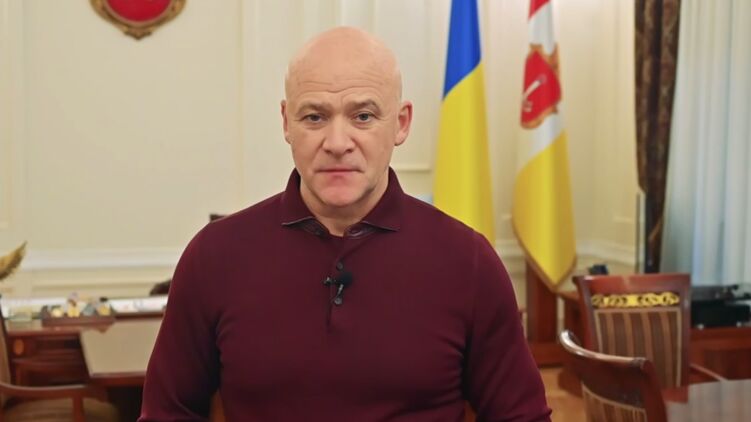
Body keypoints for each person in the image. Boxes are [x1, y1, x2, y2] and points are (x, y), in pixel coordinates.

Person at [139, 26, 551, 422]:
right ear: (286, 123)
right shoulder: (215, 256)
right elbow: (168, 414)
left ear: (401, 123)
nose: (337, 143)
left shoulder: (467, 261)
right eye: (314, 117)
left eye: (363, 116)